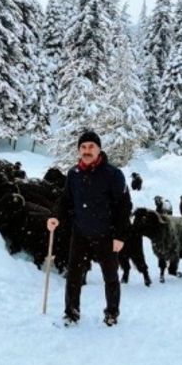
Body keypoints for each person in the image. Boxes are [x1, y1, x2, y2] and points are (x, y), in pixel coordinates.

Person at [46, 131, 131, 327]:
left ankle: (112, 312)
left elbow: (124, 206)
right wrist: (55, 216)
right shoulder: (74, 174)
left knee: (110, 277)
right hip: (81, 233)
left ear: (99, 149)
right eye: (83, 147)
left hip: (106, 234)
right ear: (78, 150)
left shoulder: (113, 175)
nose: (87, 151)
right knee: (74, 275)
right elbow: (66, 200)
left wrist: (120, 236)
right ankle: (71, 312)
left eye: (91, 147)